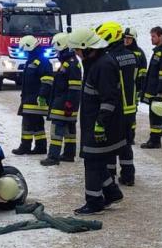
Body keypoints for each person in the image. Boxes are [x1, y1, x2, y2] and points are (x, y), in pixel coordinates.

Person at [71, 27, 125, 215]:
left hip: (101, 125)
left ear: (87, 48)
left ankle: (94, 201)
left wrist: (100, 124)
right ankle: (112, 192)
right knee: (97, 161)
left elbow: (109, 99)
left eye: (77, 49)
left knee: (92, 162)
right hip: (93, 123)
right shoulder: (95, 63)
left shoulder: (103, 66)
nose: (76, 54)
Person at [97, 21, 141, 187]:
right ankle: (129, 175)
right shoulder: (132, 56)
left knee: (110, 143)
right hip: (130, 107)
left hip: (116, 108)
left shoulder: (110, 58)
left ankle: (110, 176)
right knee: (126, 142)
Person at [41, 32, 81, 166]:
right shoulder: (71, 62)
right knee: (69, 131)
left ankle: (53, 156)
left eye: (57, 48)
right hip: (67, 103)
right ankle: (69, 154)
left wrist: (69, 103)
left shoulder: (70, 64)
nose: (56, 52)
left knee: (56, 132)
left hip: (63, 104)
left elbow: (74, 86)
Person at [11, 34, 50, 155]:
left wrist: (42, 96)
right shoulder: (33, 60)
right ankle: (41, 146)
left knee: (27, 124)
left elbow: (47, 81)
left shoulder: (41, 62)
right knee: (37, 124)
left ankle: (25, 146)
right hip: (30, 98)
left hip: (34, 100)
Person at [140, 26, 162, 149]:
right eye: (151, 36)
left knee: (156, 117)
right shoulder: (158, 51)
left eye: (154, 36)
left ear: (161, 36)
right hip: (154, 91)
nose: (151, 39)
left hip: (158, 92)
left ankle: (155, 141)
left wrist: (160, 92)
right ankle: (154, 139)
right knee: (154, 116)